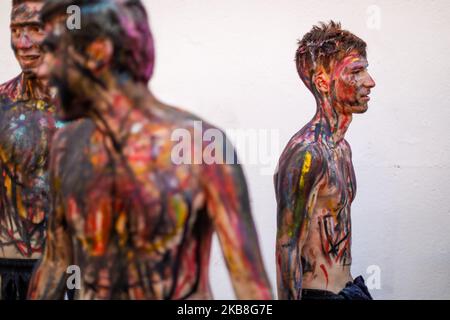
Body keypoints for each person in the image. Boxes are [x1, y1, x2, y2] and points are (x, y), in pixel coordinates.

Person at [28, 0, 273, 300]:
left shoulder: (202, 147)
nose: (42, 68)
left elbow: (252, 292)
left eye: (53, 50)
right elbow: (56, 263)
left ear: (97, 52)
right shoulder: (66, 147)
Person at [275, 21, 376, 300]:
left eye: (366, 69)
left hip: (350, 290)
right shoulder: (306, 154)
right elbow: (287, 246)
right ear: (322, 82)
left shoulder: (342, 148)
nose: (370, 81)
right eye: (357, 71)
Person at [0, 0, 62, 300]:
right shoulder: (1, 103)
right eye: (15, 30)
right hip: (11, 267)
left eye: (35, 29)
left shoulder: (89, 106)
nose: (23, 44)